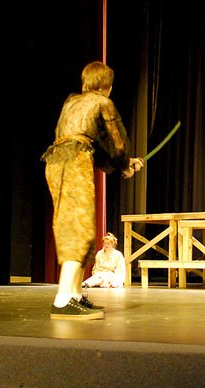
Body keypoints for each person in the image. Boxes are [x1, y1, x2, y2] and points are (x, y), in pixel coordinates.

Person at [42, 61, 143, 320]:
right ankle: (63, 299)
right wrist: (125, 165)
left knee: (75, 225)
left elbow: (84, 143)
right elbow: (117, 143)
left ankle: (74, 295)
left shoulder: (70, 101)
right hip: (74, 163)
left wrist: (122, 165)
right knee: (80, 228)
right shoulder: (102, 102)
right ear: (107, 85)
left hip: (56, 161)